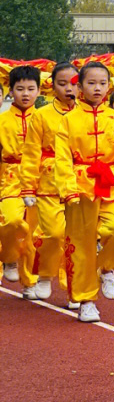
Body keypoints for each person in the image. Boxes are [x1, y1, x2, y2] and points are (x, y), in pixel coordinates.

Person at [54, 61, 114, 323]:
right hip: (80, 186)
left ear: (109, 87)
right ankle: (86, 300)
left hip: (111, 183)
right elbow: (62, 159)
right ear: (79, 87)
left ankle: (108, 267)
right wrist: (68, 189)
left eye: (102, 83)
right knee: (82, 246)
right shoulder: (68, 121)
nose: (97, 88)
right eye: (91, 83)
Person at [18, 63, 78, 300]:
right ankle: (44, 275)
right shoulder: (41, 116)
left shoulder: (89, 114)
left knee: (78, 238)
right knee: (53, 234)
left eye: (72, 84)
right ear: (52, 86)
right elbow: (31, 153)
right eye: (61, 84)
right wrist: (28, 186)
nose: (68, 89)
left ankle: (76, 289)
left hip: (80, 181)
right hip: (49, 182)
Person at [0, 66, 40, 289]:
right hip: (10, 179)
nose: (25, 94)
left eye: (30, 89)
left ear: (39, 91)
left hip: (37, 179)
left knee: (34, 232)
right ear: (11, 91)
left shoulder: (44, 118)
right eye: (20, 89)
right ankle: (9, 257)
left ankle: (30, 281)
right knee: (12, 221)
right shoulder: (2, 121)